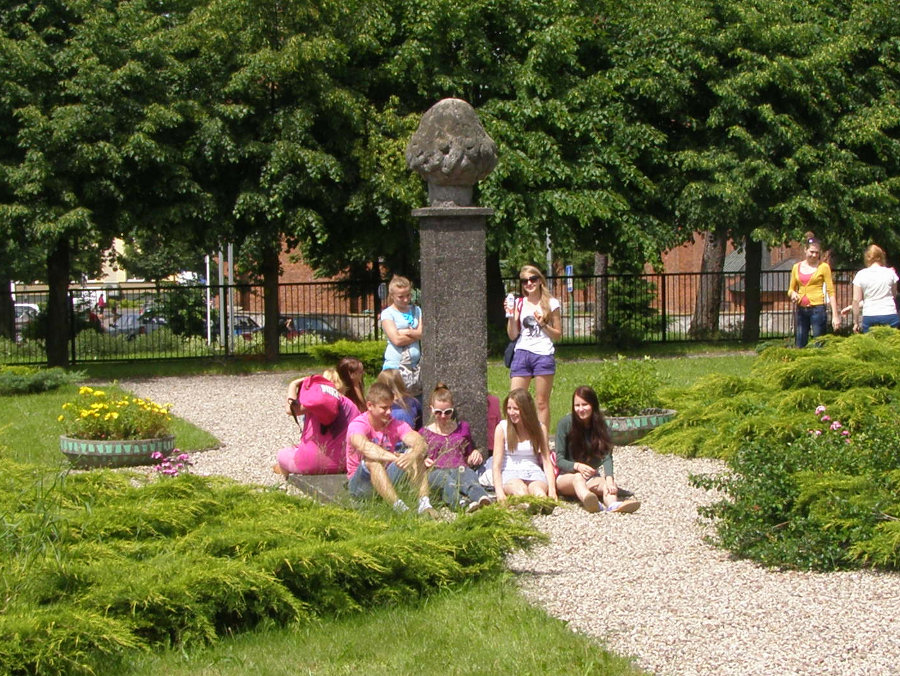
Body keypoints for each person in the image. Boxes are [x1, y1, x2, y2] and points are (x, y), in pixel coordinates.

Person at [345, 382, 438, 518]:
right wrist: (396, 458)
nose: (389, 412)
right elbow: (366, 448)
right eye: (384, 408)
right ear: (370, 405)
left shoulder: (395, 424)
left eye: (390, 407)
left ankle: (424, 504)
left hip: (387, 478)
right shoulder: (358, 425)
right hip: (361, 483)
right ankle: (401, 509)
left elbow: (421, 442)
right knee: (373, 461)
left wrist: (412, 455)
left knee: (415, 454)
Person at [555, 386, 641, 513]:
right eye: (577, 405)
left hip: (591, 477)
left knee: (607, 485)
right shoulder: (565, 424)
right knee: (578, 478)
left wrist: (610, 479)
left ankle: (613, 505)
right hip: (567, 477)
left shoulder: (601, 426)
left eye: (585, 404)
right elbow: (559, 460)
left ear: (593, 405)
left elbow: (606, 457)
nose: (580, 409)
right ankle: (590, 501)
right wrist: (577, 466)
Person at [504, 265, 561, 429]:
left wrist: (543, 324)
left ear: (540, 280)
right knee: (515, 401)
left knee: (541, 402)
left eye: (532, 279)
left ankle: (542, 440)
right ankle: (516, 438)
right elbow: (513, 335)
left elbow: (557, 334)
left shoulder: (551, 303)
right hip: (522, 353)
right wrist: (510, 316)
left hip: (543, 354)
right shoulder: (519, 303)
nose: (529, 283)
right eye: (525, 281)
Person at [420, 383, 492, 513]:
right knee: (446, 481)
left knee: (468, 477)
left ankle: (481, 498)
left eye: (447, 412)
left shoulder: (462, 428)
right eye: (438, 412)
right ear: (431, 409)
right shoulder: (424, 433)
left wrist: (475, 453)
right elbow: (417, 458)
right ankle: (461, 503)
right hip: (436, 470)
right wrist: (423, 461)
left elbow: (468, 453)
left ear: (452, 409)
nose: (443, 416)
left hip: (459, 468)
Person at [275, 373, 358, 475]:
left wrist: (293, 385)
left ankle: (287, 479)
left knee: (282, 454)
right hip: (345, 464)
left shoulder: (314, 404)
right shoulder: (351, 405)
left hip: (311, 465)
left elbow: (290, 410)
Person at [491, 388, 557, 505]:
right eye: (509, 408)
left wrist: (552, 490)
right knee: (521, 492)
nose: (511, 412)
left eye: (516, 409)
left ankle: (541, 507)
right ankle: (526, 507)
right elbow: (496, 465)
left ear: (526, 410)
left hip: (533, 471)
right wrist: (499, 493)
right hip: (510, 471)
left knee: (539, 493)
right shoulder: (502, 428)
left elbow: (547, 461)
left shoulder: (540, 428)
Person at [787, 235, 840, 347]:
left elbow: (831, 291)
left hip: (818, 309)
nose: (814, 255)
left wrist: (835, 316)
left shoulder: (824, 267)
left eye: (817, 252)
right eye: (811, 252)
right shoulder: (796, 267)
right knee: (800, 343)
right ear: (805, 250)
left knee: (819, 343)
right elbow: (790, 289)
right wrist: (793, 294)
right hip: (801, 309)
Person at [380, 275, 423, 396]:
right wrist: (416, 334)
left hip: (415, 369)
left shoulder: (417, 310)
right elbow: (397, 340)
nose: (405, 299)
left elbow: (422, 333)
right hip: (395, 367)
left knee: (415, 403)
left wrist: (407, 332)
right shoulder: (387, 313)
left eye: (408, 295)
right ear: (392, 296)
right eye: (401, 297)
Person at [851, 244, 899, 333]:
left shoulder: (861, 275)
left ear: (867, 258)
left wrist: (856, 323)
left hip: (870, 314)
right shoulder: (890, 273)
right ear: (881, 257)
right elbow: (894, 295)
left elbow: (856, 301)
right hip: (889, 313)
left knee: (870, 341)